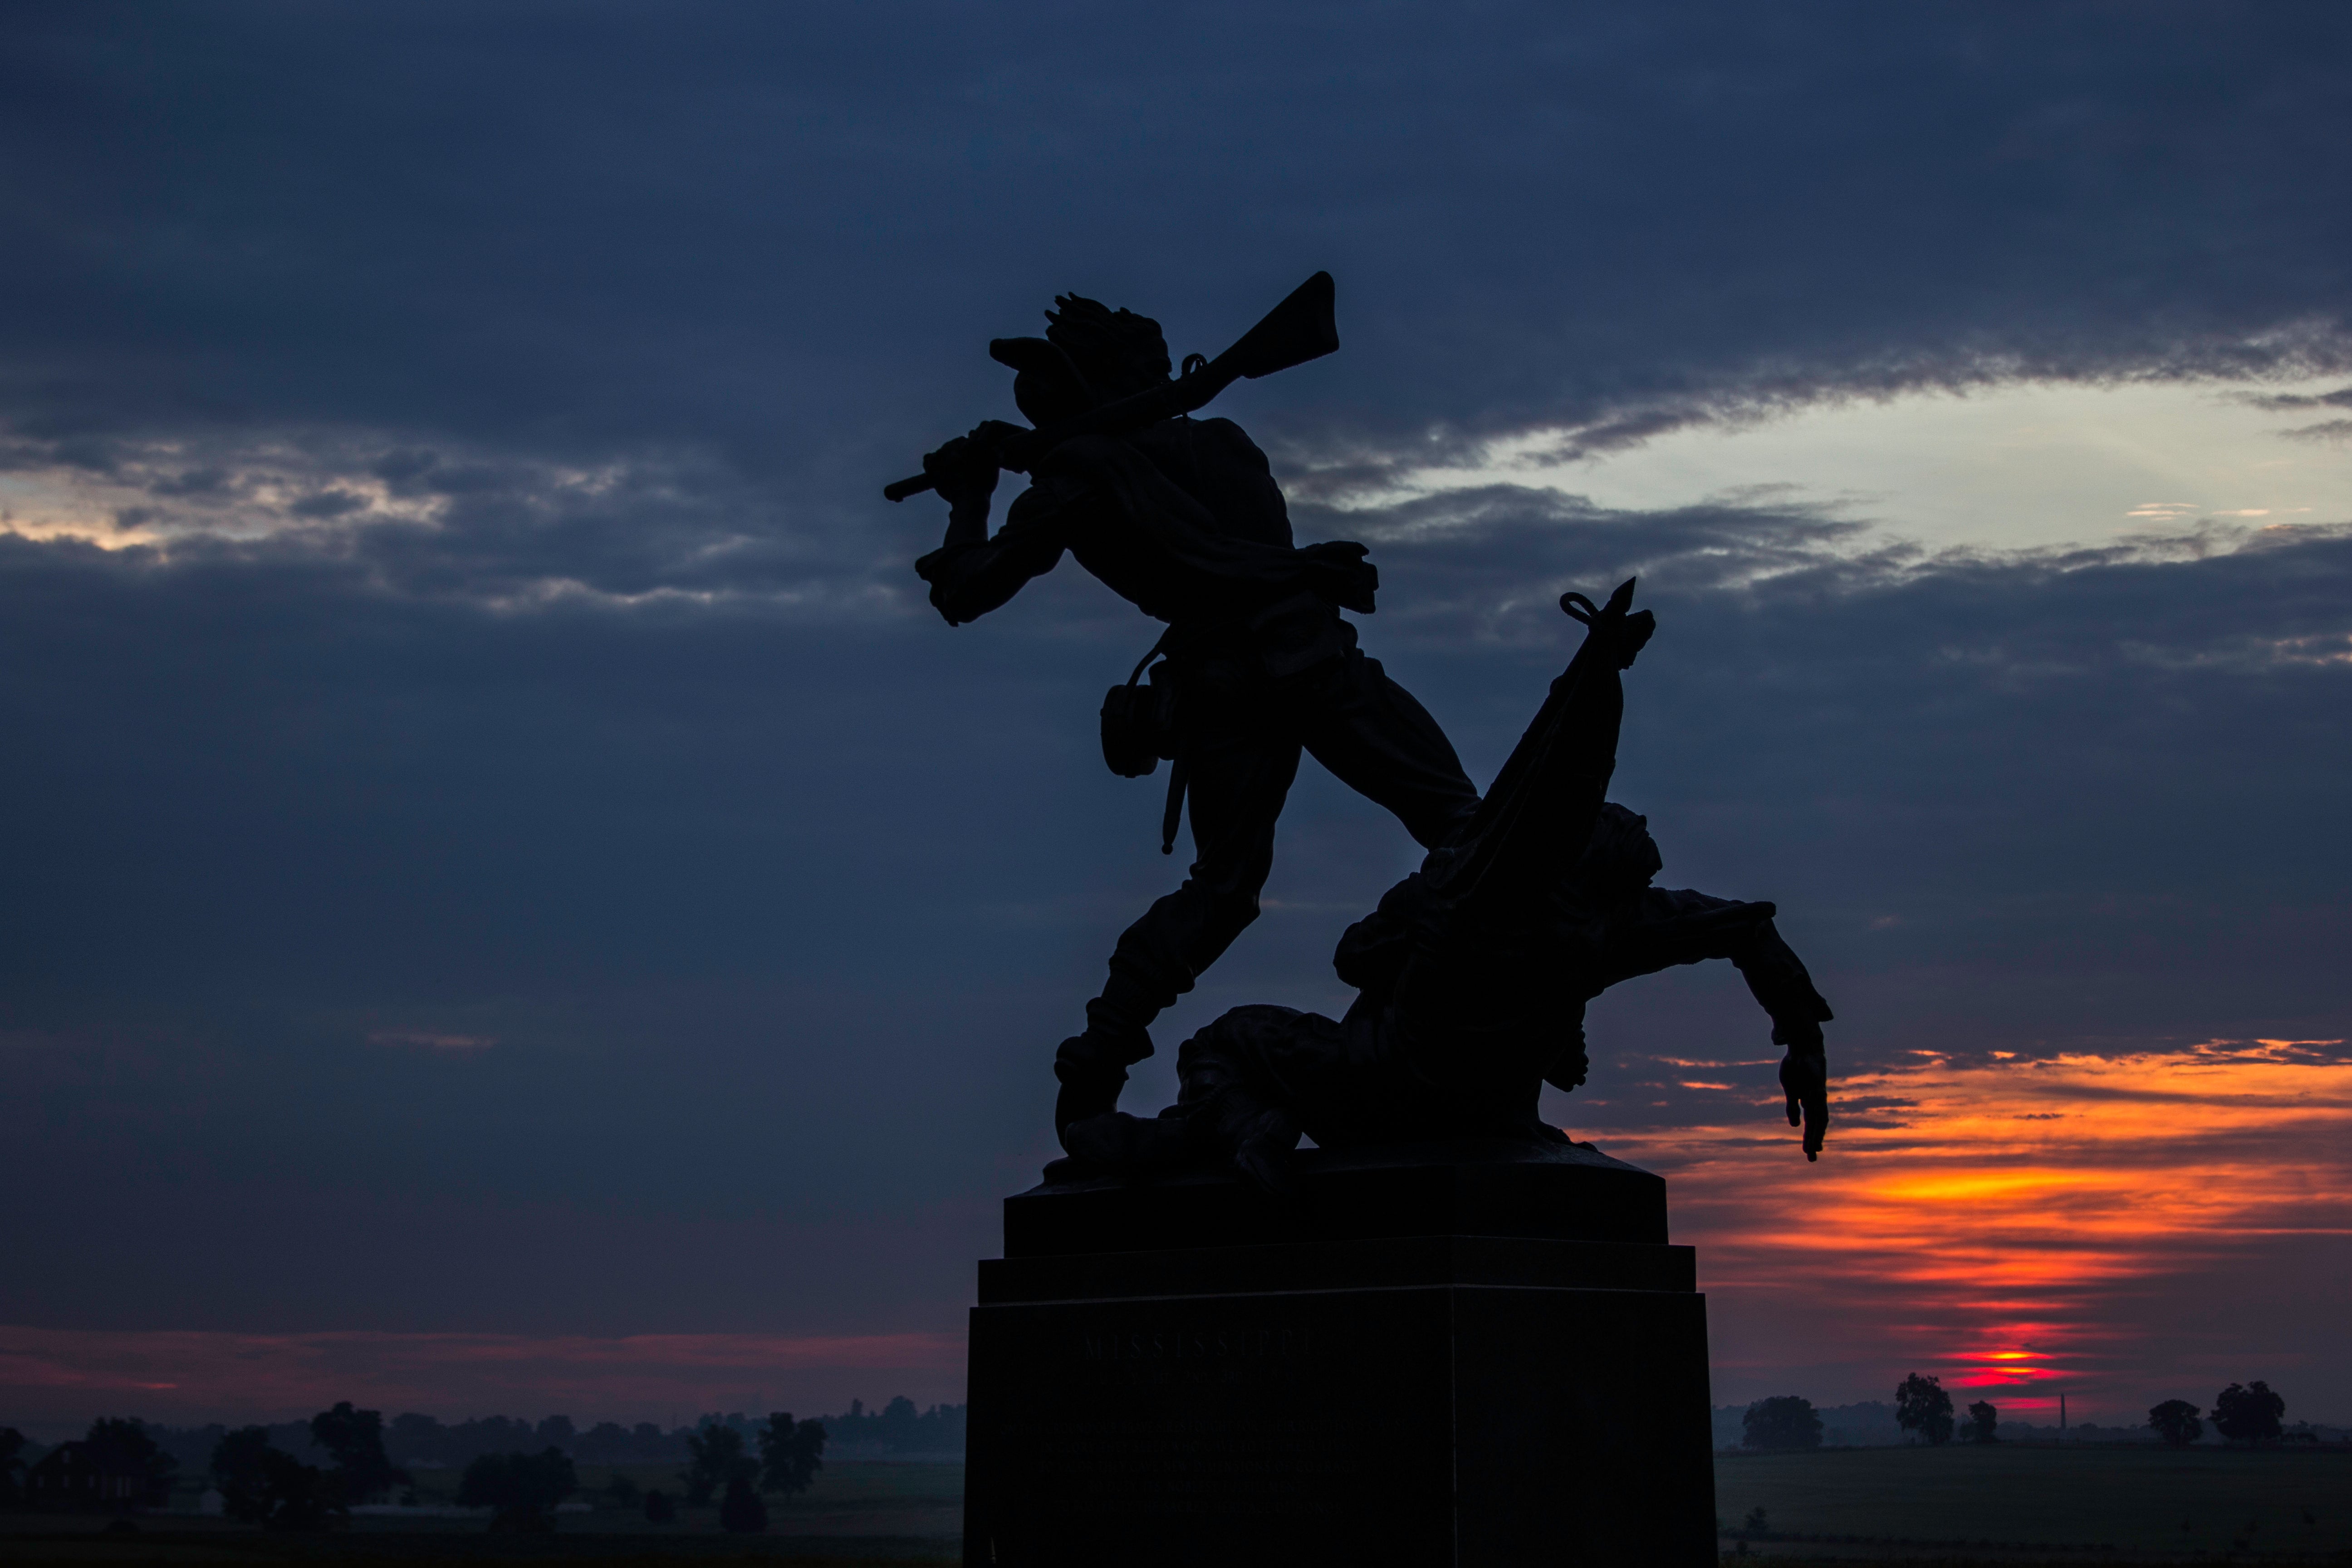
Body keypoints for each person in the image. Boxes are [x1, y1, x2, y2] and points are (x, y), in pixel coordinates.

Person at [913, 294, 1480, 1144]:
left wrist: (971, 498)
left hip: (1240, 677)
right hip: (1297, 658)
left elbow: (965, 588)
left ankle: (1098, 1062)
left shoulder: (1082, 482)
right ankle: (1099, 1064)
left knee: (1237, 887)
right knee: (1455, 828)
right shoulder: (1185, 454)